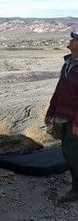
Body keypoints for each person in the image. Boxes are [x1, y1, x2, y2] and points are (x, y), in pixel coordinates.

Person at [45, 31, 78, 203]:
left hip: (74, 120)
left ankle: (76, 190)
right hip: (63, 117)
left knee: (72, 153)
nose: (72, 40)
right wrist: (50, 112)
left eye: (75, 39)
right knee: (69, 152)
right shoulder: (67, 64)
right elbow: (59, 91)